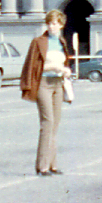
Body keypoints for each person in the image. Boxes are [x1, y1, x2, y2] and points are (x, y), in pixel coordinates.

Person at [20, 10, 72, 177]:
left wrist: (65, 71)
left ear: (61, 25)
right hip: (43, 83)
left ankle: (52, 165)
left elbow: (64, 62)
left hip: (58, 84)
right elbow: (33, 66)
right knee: (47, 122)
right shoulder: (39, 42)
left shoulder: (61, 42)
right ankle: (42, 166)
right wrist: (54, 68)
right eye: (49, 23)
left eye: (55, 23)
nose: (51, 26)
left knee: (55, 124)